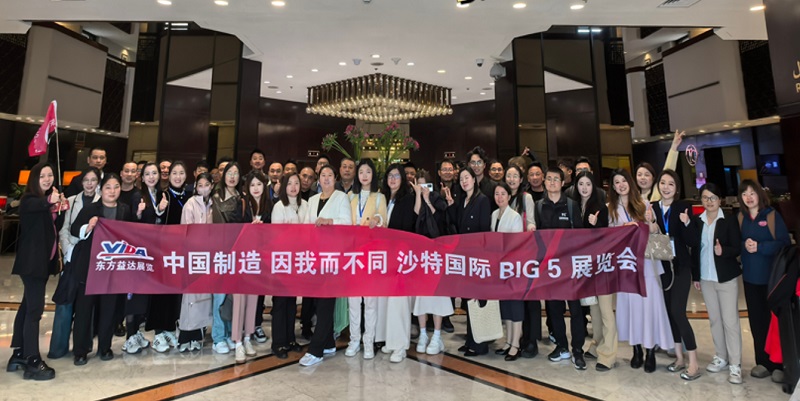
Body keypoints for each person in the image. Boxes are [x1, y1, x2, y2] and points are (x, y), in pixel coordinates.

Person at [609, 168, 673, 374]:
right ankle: (636, 349)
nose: (621, 185)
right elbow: (608, 237)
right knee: (631, 309)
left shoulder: (644, 204)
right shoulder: (611, 209)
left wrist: (650, 222)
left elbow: (656, 231)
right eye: (617, 182)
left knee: (649, 308)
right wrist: (623, 229)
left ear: (630, 182)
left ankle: (650, 351)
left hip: (647, 265)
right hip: (626, 266)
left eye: (624, 180)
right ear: (613, 187)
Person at [8, 162, 65, 380]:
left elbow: (53, 228)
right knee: (35, 311)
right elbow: (36, 206)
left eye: (50, 175)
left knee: (27, 307)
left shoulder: (47, 202)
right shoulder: (30, 200)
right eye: (43, 176)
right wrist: (49, 202)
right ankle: (32, 360)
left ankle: (19, 352)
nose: (47, 179)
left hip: (42, 264)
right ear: (34, 179)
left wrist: (59, 210)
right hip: (32, 265)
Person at [682, 183, 743, 384]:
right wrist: (696, 276)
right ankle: (721, 357)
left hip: (726, 278)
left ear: (720, 200)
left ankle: (735, 364)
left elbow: (737, 248)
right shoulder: (697, 221)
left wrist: (723, 251)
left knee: (730, 322)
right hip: (706, 278)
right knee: (715, 320)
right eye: (705, 198)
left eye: (713, 198)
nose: (709, 201)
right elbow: (694, 249)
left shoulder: (729, 220)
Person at [70, 173, 132, 366]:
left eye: (116, 187)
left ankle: (105, 347)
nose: (112, 191)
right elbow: (74, 229)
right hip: (89, 267)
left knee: (109, 310)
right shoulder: (91, 208)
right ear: (101, 190)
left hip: (112, 268)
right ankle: (80, 351)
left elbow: (131, 234)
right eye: (108, 187)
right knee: (84, 311)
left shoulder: (124, 209)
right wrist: (87, 227)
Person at [737, 179, 790, 384]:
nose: (748, 197)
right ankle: (763, 362)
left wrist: (760, 247)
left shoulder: (771, 216)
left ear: (759, 194)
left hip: (772, 279)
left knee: (774, 322)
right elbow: (735, 243)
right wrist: (744, 244)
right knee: (757, 322)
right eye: (744, 194)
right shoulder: (741, 218)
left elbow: (784, 244)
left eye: (752, 193)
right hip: (750, 279)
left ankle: (780, 364)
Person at [299, 165, 352, 367]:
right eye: (323, 175)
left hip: (333, 258)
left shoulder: (341, 197)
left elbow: (347, 223)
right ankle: (328, 342)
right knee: (318, 301)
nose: (326, 178)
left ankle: (316, 350)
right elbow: (306, 225)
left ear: (335, 178)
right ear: (318, 179)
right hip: (315, 257)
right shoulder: (312, 200)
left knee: (325, 303)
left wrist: (330, 221)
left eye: (330, 175)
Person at [534, 167, 585, 370]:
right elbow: (537, 239)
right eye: (549, 179)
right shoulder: (539, 206)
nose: (552, 182)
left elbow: (581, 238)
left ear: (563, 183)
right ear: (544, 182)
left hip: (570, 268)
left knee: (576, 310)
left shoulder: (571, 206)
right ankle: (562, 346)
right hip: (550, 268)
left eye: (556, 179)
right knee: (554, 309)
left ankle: (578, 350)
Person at [651, 170, 700, 379]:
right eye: (663, 183)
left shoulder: (683, 207)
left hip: (681, 267)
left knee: (678, 312)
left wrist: (687, 223)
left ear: (677, 188)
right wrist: (651, 225)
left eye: (671, 184)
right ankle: (679, 358)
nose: (666, 187)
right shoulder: (652, 208)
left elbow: (693, 241)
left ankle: (694, 362)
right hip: (662, 267)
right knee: (670, 313)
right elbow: (650, 236)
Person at [49, 168, 100, 360]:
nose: (89, 183)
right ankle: (58, 348)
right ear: (81, 182)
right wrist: (69, 250)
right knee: (65, 302)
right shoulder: (70, 201)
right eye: (86, 180)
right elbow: (63, 229)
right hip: (72, 256)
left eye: (93, 180)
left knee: (86, 307)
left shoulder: (102, 201)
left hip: (91, 259)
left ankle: (83, 347)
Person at [571, 171, 614, 371]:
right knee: (594, 310)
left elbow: (606, 236)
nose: (584, 188)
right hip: (584, 266)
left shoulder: (600, 207)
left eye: (588, 184)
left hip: (601, 265)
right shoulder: (574, 206)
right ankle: (597, 345)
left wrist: (597, 226)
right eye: (581, 184)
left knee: (605, 310)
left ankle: (608, 355)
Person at [445, 168, 491, 356]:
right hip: (465, 256)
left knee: (478, 300)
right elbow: (457, 225)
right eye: (462, 178)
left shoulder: (482, 200)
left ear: (474, 179)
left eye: (467, 178)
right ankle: (471, 339)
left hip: (478, 257)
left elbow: (484, 230)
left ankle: (480, 344)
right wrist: (450, 205)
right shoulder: (463, 200)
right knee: (469, 301)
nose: (464, 181)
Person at [147, 161, 190, 353]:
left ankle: (170, 328)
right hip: (163, 251)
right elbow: (155, 221)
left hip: (181, 252)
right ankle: (158, 333)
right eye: (174, 173)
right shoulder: (162, 195)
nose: (178, 177)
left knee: (175, 292)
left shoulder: (189, 196)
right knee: (161, 292)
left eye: (181, 173)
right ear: (168, 175)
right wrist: (160, 210)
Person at [346, 159, 387, 360]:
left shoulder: (379, 197)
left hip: (371, 255)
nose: (364, 175)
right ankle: (354, 340)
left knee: (370, 302)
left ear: (373, 175)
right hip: (353, 255)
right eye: (361, 171)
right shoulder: (349, 196)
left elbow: (384, 221)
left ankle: (368, 341)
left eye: (368, 171)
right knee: (353, 301)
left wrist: (377, 220)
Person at [231, 171, 272, 363]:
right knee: (239, 301)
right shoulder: (241, 204)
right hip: (241, 259)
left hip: (258, 260)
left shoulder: (269, 207)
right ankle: (237, 342)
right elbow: (232, 231)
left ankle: (248, 337)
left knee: (253, 301)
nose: (256, 188)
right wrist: (249, 227)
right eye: (252, 185)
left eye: (259, 184)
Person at [377, 163, 416, 363]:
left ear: (402, 179)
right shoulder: (382, 198)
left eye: (396, 176)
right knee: (386, 301)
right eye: (390, 176)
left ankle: (400, 345)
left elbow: (407, 228)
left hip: (401, 257)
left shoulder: (408, 199)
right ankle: (389, 340)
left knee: (399, 302)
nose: (392, 179)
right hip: (384, 257)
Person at [411, 169, 452, 354]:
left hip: (436, 252)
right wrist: (418, 196)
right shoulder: (415, 198)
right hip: (420, 253)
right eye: (419, 185)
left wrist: (428, 199)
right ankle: (422, 334)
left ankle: (436, 335)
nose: (422, 188)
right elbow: (416, 215)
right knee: (421, 295)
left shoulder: (437, 198)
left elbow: (440, 221)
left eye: (425, 184)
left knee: (437, 295)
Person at [270, 172, 308, 359]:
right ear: (284, 187)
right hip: (282, 260)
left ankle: (290, 339)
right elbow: (277, 235)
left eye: (296, 183)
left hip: (298, 260)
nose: (293, 187)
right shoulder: (279, 207)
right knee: (280, 302)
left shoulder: (306, 205)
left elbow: (308, 232)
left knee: (292, 301)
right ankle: (278, 343)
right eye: (290, 183)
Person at [176, 172, 214, 353]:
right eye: (200, 185)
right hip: (193, 255)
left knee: (204, 297)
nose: (204, 188)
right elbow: (185, 231)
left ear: (212, 186)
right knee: (190, 298)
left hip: (209, 256)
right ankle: (185, 335)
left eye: (207, 185)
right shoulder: (190, 204)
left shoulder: (214, 204)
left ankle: (198, 335)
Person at [209, 162, 242, 355]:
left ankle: (230, 333)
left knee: (232, 297)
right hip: (221, 253)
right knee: (219, 296)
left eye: (236, 173)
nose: (232, 177)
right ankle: (218, 337)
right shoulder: (216, 197)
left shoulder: (241, 198)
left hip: (239, 254)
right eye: (229, 173)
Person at [492, 182, 524, 361]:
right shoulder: (494, 214)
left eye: (503, 194)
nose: (500, 197)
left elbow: (517, 244)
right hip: (500, 268)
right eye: (497, 194)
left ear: (509, 197)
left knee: (515, 305)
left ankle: (516, 343)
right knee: (505, 306)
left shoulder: (515, 216)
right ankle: (509, 340)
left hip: (513, 268)